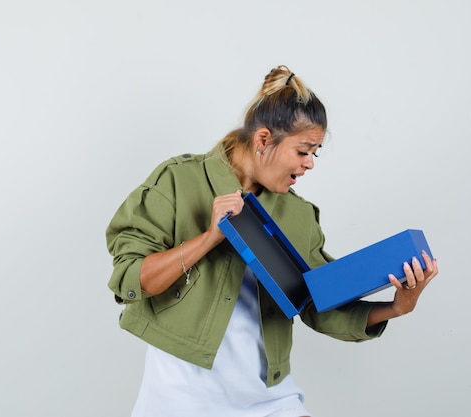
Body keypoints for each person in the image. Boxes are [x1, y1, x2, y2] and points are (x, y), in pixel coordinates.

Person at [106, 65, 438, 417]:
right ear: (263, 140)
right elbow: (132, 277)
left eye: (316, 153)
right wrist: (209, 238)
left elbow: (314, 304)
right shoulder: (178, 180)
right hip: (180, 400)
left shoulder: (299, 216)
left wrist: (396, 307)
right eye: (303, 150)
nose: (310, 163)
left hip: (270, 402)